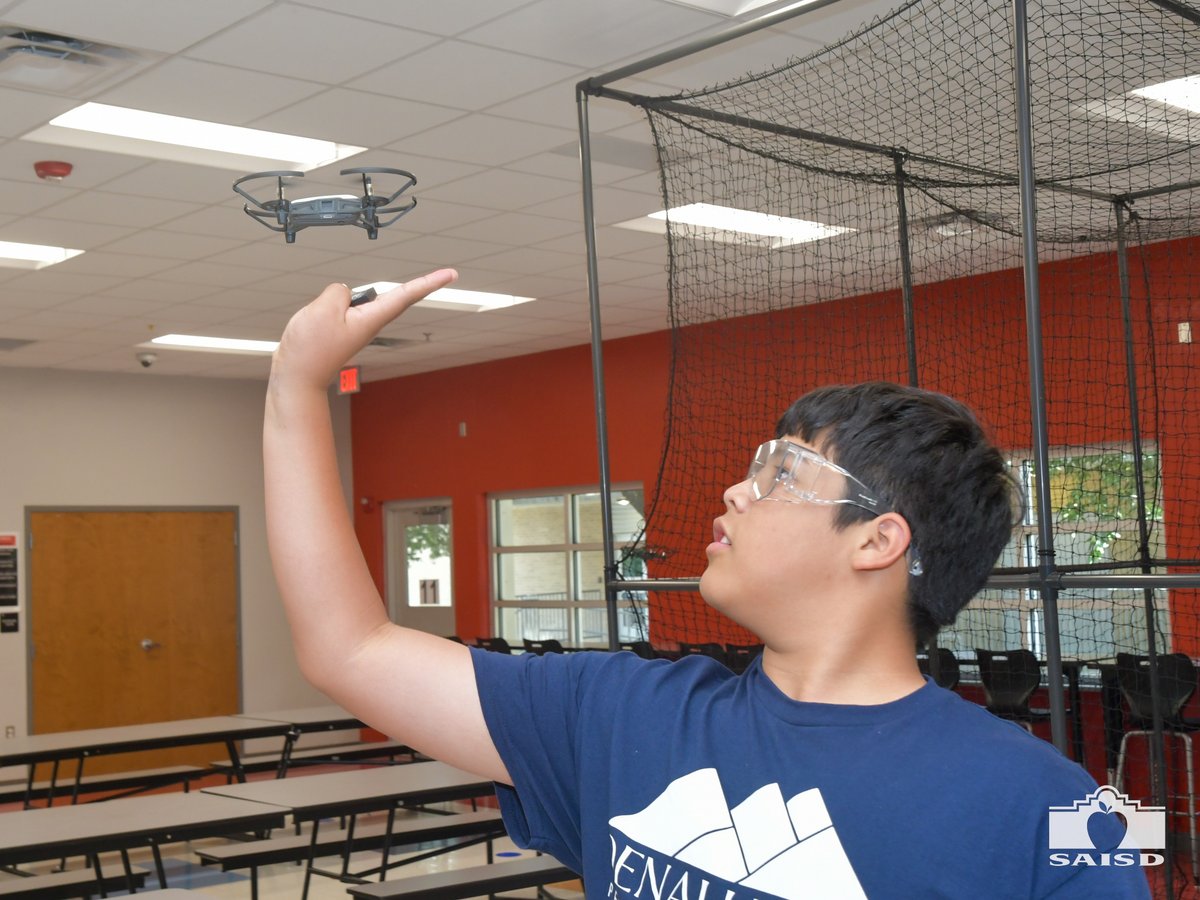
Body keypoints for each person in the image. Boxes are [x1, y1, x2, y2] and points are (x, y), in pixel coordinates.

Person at [264, 273, 1151, 899]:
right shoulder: (618, 712)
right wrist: (299, 386)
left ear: (880, 541)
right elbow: (348, 647)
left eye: (782, 471)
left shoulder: (1060, 810)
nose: (736, 489)